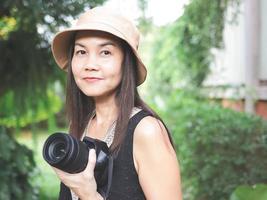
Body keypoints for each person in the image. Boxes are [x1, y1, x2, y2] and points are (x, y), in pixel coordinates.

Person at [50, 6, 182, 200]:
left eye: (105, 52)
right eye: (81, 52)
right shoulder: (79, 126)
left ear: (126, 62)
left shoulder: (146, 131)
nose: (90, 65)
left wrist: (89, 195)